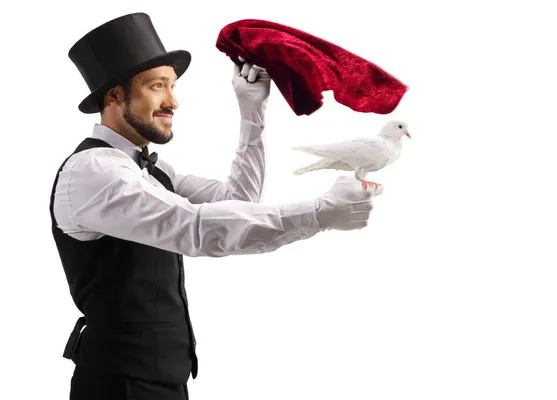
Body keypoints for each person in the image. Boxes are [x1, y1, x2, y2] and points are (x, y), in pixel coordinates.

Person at [50, 12, 383, 400]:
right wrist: (319, 213)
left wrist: (251, 111)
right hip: (117, 387)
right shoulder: (93, 171)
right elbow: (196, 229)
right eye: (157, 86)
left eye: (172, 86)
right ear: (114, 96)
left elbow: (236, 202)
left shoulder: (154, 171)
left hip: (163, 383)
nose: (173, 101)